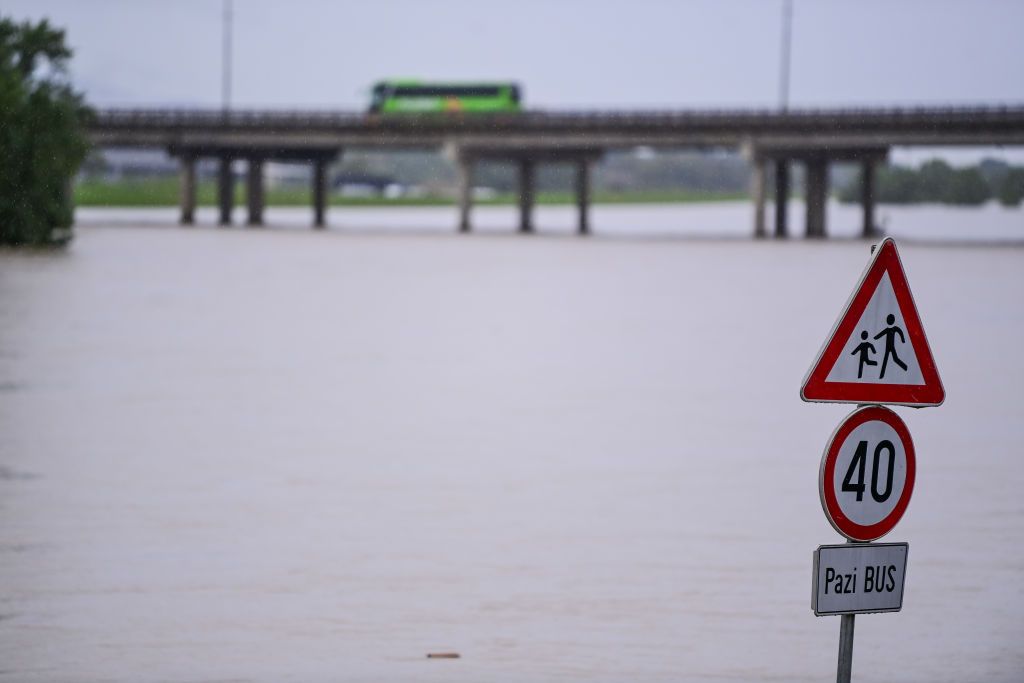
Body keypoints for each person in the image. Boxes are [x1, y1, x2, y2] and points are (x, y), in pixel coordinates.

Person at [873, 314, 908, 379]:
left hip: (891, 347)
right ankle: (881, 376)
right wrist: (875, 338)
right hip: (888, 347)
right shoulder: (888, 329)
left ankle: (905, 367)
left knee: (894, 359)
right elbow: (880, 334)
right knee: (887, 359)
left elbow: (900, 332)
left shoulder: (894, 328)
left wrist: (903, 340)